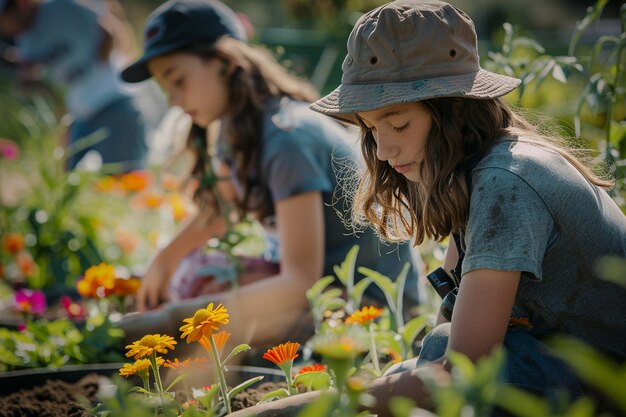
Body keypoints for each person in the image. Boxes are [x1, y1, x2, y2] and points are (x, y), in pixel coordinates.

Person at [309, 0, 626, 412]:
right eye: (371, 129)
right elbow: (450, 324)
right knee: (402, 375)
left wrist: (304, 408)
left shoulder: (505, 182)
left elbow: (461, 369)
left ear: (455, 108)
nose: (384, 150)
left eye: (399, 123)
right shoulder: (477, 173)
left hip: (609, 383)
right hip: (566, 367)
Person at [118, 0, 419, 349]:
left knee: (204, 293)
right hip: (325, 294)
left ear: (225, 62)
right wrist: (164, 260)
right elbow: (222, 210)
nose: (172, 99)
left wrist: (173, 320)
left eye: (178, 80)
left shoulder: (286, 137)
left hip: (375, 317)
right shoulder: (245, 127)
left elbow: (297, 284)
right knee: (195, 274)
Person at [0, 0, 148, 172]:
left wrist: (100, 62)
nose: (3, 27)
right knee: (68, 180)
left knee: (122, 177)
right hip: (81, 111)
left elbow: (109, 25)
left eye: (3, 18)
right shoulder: (25, 40)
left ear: (21, 4)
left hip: (113, 98)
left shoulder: (63, 6)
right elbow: (45, 83)